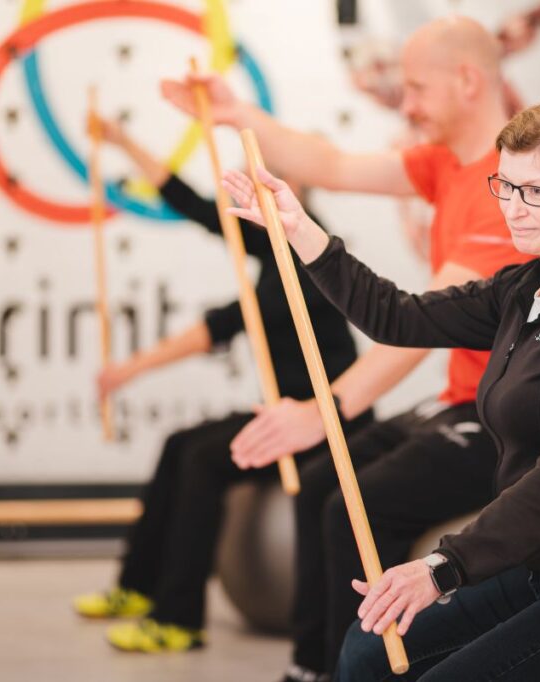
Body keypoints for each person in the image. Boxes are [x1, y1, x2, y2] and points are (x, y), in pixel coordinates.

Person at [222, 91, 540, 681]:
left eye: (537, 192)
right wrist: (300, 230)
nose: (514, 208)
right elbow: (399, 316)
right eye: (505, 186)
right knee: (366, 653)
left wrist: (441, 567)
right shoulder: (526, 288)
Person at [163, 17, 535, 681]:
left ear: (470, 81)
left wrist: (322, 410)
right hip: (460, 402)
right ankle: (316, 666)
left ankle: (373, 669)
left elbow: (418, 326)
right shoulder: (444, 162)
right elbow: (327, 165)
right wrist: (234, 112)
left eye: (417, 88)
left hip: (510, 422)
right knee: (316, 489)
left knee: (355, 505)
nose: (407, 104)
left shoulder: (504, 191)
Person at [71, 118, 370, 653]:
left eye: (274, 182)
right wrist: (123, 141)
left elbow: (222, 325)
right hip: (288, 412)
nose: (260, 192)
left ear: (297, 189)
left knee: (203, 458)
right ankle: (137, 589)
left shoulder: (305, 254)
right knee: (180, 444)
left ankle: (179, 619)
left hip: (330, 424)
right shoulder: (272, 239)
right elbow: (194, 206)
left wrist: (129, 370)